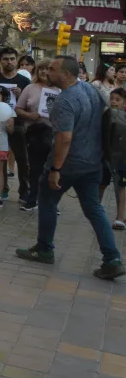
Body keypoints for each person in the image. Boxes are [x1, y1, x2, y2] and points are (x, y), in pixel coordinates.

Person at [16, 56, 124, 280]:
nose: (48, 73)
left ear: (65, 74)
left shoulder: (64, 100)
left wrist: (56, 169)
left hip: (68, 164)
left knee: (46, 199)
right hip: (93, 162)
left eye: (53, 70)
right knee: (94, 209)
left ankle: (45, 248)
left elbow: (64, 138)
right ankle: (112, 258)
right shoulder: (90, 90)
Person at [0, 48, 32, 201]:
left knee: (22, 159)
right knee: (0, 160)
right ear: (0, 60)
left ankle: (24, 191)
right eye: (6, 59)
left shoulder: (25, 82)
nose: (9, 62)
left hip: (18, 125)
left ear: (16, 60)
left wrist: (21, 97)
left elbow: (30, 106)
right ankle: (2, 189)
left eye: (12, 58)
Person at [15, 59, 55, 211]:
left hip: (53, 134)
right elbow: (18, 108)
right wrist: (29, 115)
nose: (44, 72)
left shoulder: (59, 89)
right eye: (41, 69)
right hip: (34, 133)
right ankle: (32, 199)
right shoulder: (30, 88)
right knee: (35, 168)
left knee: (52, 169)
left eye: (48, 69)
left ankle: (51, 202)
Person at [102, 89, 126, 230]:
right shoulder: (106, 114)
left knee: (121, 187)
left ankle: (119, 216)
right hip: (106, 157)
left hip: (122, 159)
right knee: (101, 184)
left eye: (118, 99)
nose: (113, 102)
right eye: (112, 98)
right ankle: (96, 212)